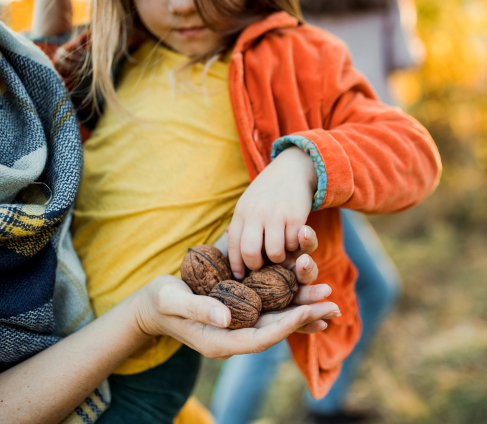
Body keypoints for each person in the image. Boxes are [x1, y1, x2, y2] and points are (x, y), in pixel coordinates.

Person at [28, 0, 441, 422]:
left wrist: (302, 164)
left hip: (143, 366)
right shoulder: (107, 53)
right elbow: (26, 113)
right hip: (50, 345)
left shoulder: (295, 54)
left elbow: (412, 151)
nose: (182, 5)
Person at [0, 17, 335, 424]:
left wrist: (302, 162)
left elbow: (405, 146)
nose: (181, 7)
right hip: (69, 351)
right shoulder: (119, 50)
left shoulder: (285, 52)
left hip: (149, 355)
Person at [210, 1, 426, 423]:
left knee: (369, 288)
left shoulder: (300, 19)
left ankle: (324, 407)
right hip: (321, 168)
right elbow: (406, 57)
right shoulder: (379, 9)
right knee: (276, 312)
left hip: (336, 163)